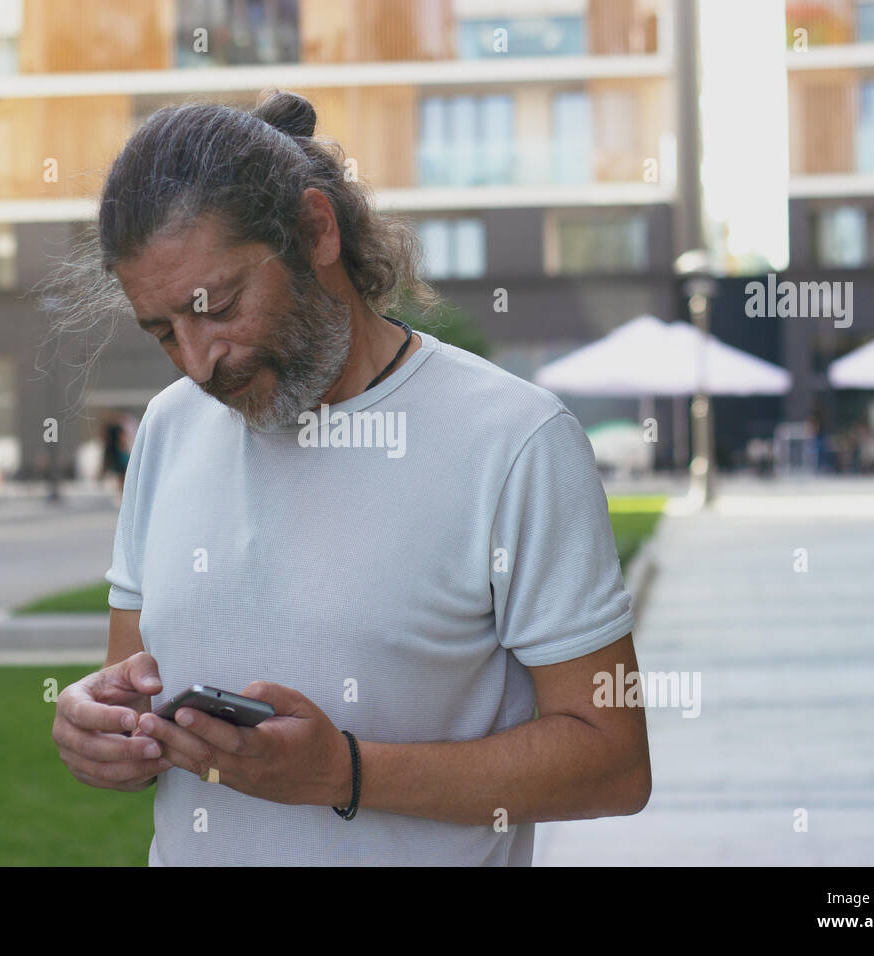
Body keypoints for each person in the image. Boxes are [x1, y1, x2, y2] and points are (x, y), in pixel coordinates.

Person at [51, 90, 649, 866]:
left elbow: (613, 762)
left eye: (219, 306)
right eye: (165, 330)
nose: (201, 362)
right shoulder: (168, 428)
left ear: (315, 230)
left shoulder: (514, 441)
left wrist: (346, 772)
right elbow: (132, 685)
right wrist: (98, 729)